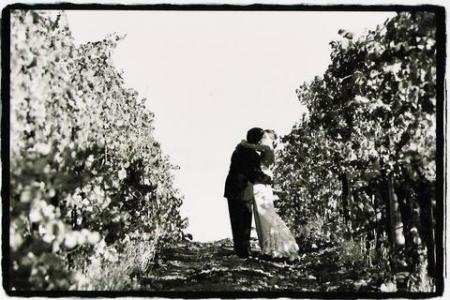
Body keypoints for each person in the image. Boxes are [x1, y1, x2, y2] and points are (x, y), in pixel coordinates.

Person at [240, 129, 299, 261]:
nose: (262, 139)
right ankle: (271, 248)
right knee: (263, 217)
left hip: (261, 187)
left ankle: (273, 248)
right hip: (260, 186)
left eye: (265, 136)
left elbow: (251, 146)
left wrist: (244, 143)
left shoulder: (267, 148)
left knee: (265, 216)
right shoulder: (266, 150)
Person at [224, 127, 272, 258]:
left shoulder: (239, 150)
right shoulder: (250, 155)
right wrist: (268, 180)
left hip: (232, 189)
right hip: (242, 190)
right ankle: (244, 252)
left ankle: (241, 249)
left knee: (236, 221)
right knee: (244, 220)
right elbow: (253, 174)